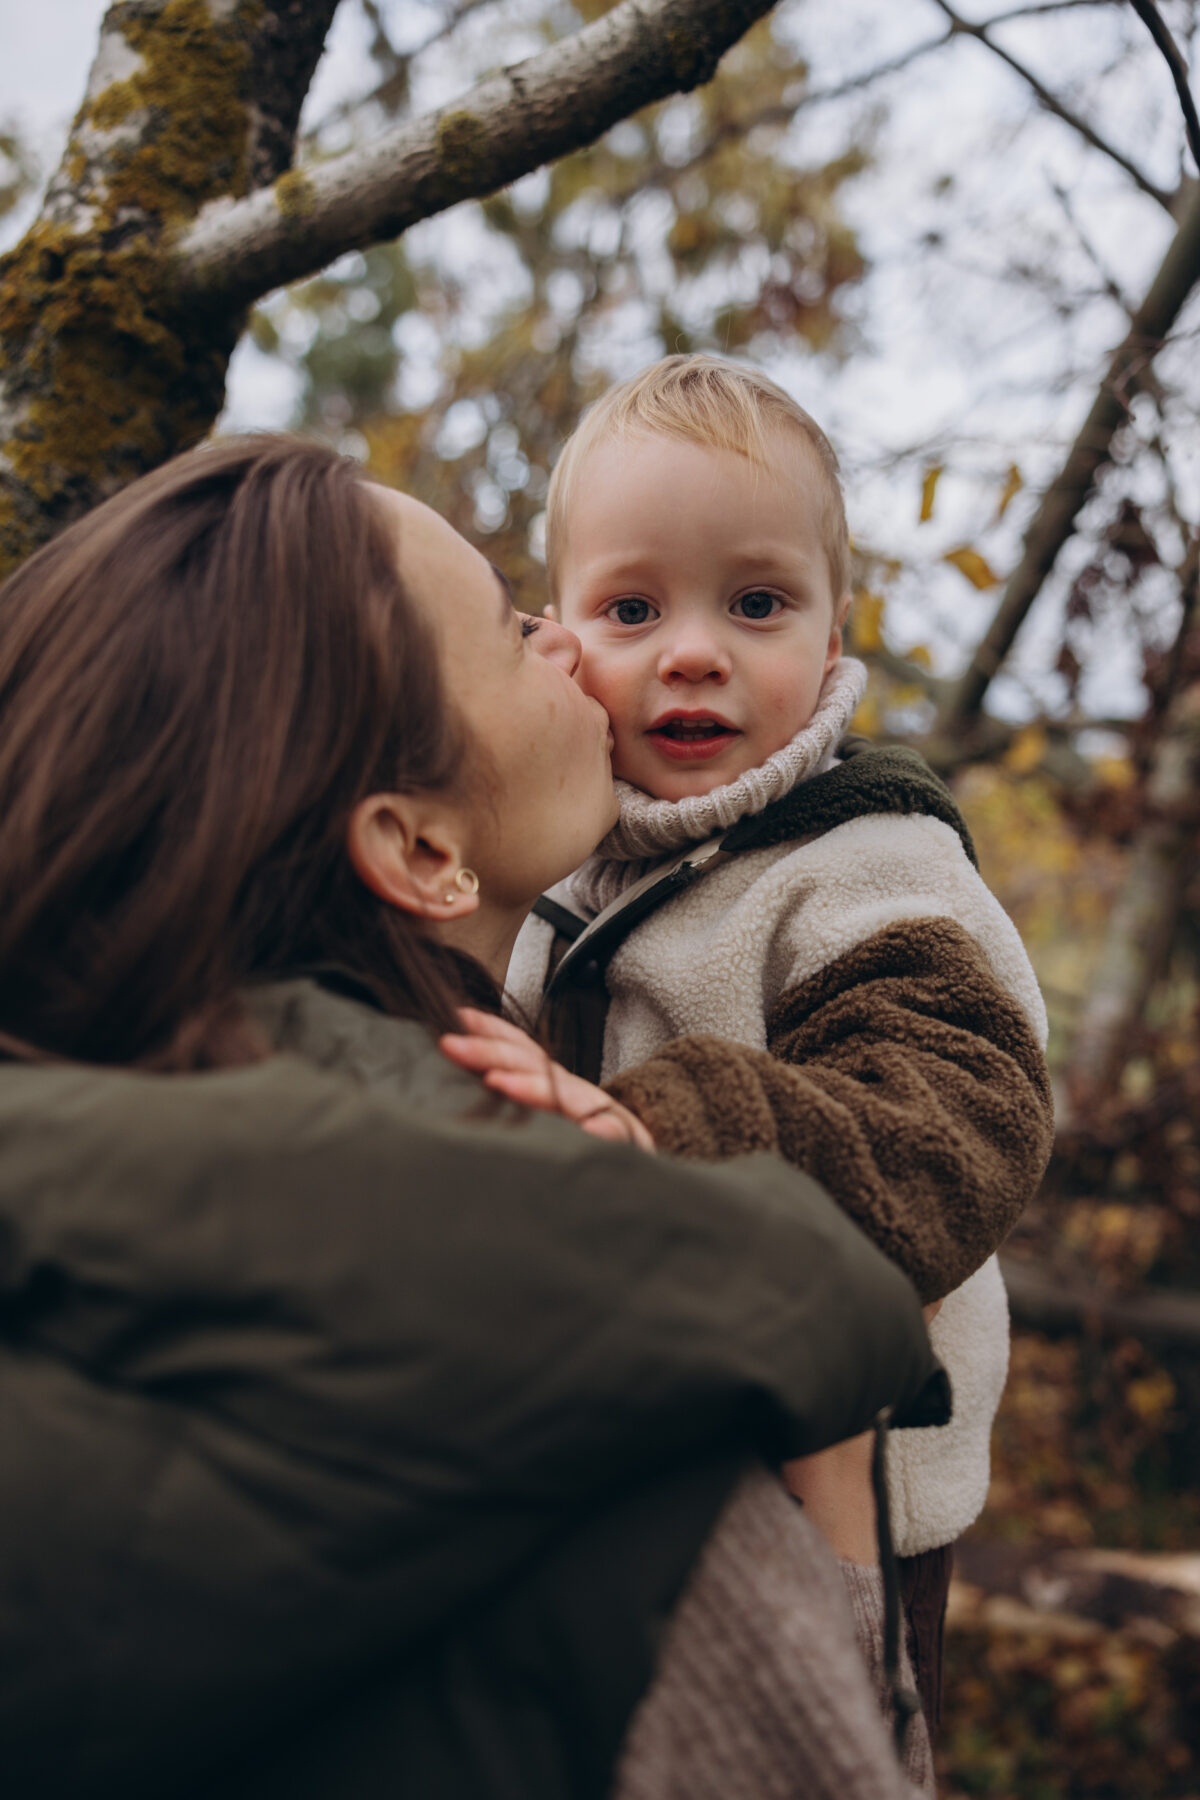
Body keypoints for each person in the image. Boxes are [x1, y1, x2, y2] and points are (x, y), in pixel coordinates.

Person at [0, 434, 948, 1800]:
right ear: (419, 849)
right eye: (515, 634)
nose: (570, 645)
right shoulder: (616, 1382)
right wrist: (836, 1479)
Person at [480, 356, 1055, 1759]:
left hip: (846, 1488)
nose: (693, 651)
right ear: (557, 640)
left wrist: (669, 1139)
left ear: (833, 628)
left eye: (756, 604)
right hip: (634, 1456)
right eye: (632, 608)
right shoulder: (565, 874)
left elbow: (953, 1112)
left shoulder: (867, 862)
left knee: (823, 1751)